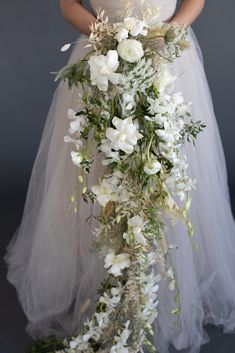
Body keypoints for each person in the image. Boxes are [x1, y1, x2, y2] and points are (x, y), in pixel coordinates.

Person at [4, 1, 235, 352]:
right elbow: (69, 4)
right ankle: (102, 276)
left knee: (167, 166)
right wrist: (108, 36)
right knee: (100, 165)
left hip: (166, 54)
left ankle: (167, 279)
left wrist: (170, 33)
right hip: (101, 57)